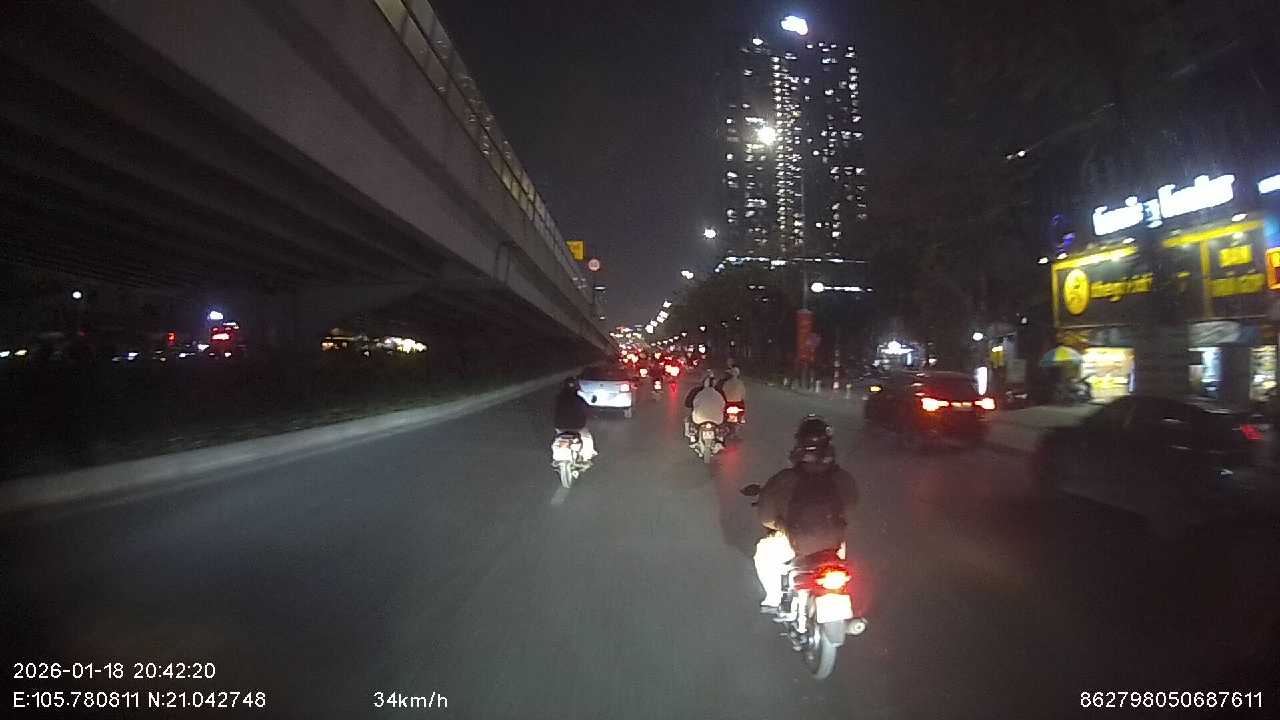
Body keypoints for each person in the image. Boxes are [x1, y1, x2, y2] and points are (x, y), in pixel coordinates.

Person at [752, 415, 857, 610]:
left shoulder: (784, 479)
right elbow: (851, 506)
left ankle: (774, 599)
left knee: (763, 552)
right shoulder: (843, 478)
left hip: (796, 541)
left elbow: (766, 517)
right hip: (833, 544)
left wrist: (781, 525)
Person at [553, 377, 596, 462]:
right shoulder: (579, 399)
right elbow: (587, 409)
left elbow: (551, 409)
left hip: (560, 426)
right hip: (577, 427)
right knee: (587, 438)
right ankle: (587, 457)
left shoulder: (558, 398)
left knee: (558, 437)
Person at [684, 371, 726, 443]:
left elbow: (687, 403)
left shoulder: (696, 391)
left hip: (699, 419)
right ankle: (720, 437)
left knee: (688, 419)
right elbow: (725, 404)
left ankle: (691, 436)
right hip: (717, 420)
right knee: (724, 423)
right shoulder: (719, 392)